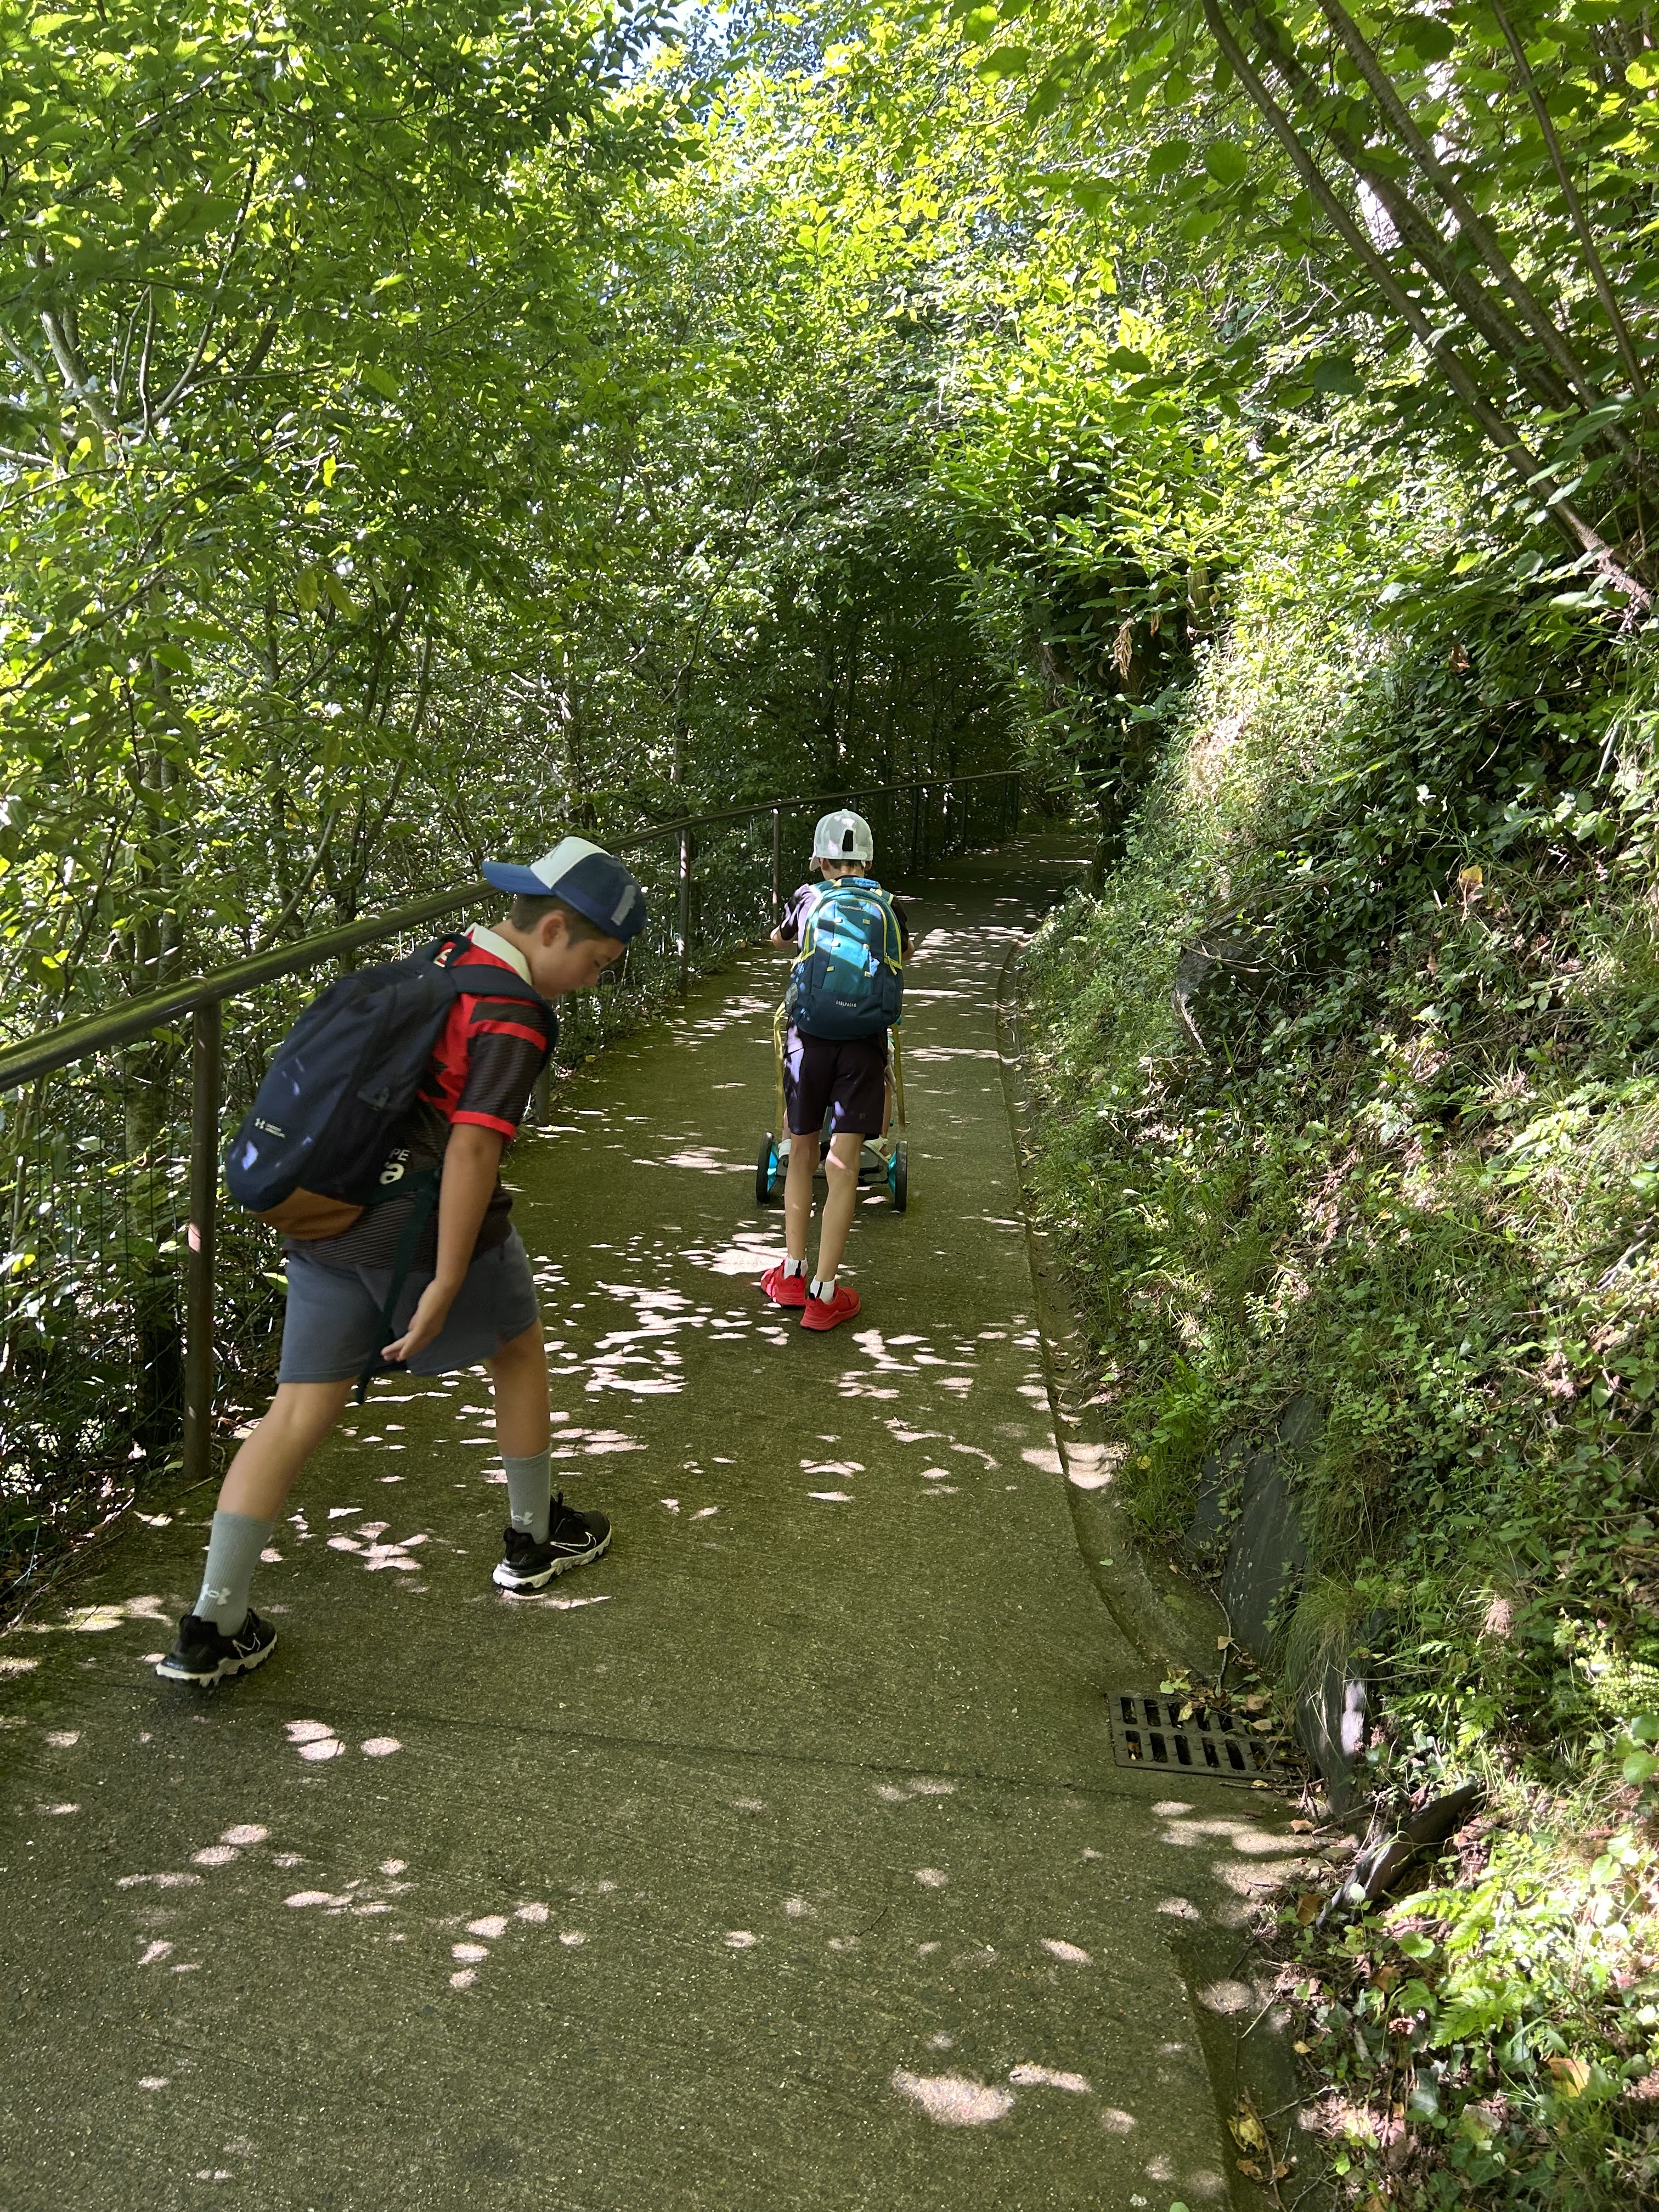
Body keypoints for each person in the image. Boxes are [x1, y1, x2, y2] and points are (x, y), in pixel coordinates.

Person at [157, 837, 647, 1685]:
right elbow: (471, 1155)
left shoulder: (443, 957)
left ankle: (212, 1622)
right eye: (598, 963)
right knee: (518, 1349)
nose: (594, 981)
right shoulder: (513, 1014)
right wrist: (449, 1276)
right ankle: (533, 1541)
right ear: (555, 930)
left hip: (331, 1218)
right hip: (423, 1233)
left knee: (294, 1413)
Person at [762, 809, 909, 1333]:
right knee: (843, 1166)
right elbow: (905, 955)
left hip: (810, 1039)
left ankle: (790, 1273)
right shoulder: (888, 906)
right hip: (864, 1044)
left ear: (822, 861)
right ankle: (825, 1294)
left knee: (800, 1148)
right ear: (867, 860)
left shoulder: (808, 898)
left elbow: (780, 940)